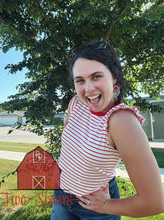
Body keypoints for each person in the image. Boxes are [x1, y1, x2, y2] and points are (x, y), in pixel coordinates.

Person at [51, 41, 164, 220]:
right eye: (80, 80)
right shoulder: (76, 103)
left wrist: (106, 205)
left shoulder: (121, 121)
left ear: (114, 76)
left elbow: (155, 201)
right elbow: (70, 145)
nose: (88, 88)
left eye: (96, 76)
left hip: (94, 208)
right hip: (61, 195)